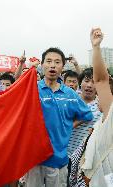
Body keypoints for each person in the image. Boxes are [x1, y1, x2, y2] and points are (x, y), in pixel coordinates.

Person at [25, 47, 93, 187]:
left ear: (63, 66)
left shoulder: (70, 94)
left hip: (58, 159)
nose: (52, 65)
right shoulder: (31, 89)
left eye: (57, 62)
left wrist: (70, 125)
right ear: (42, 64)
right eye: (48, 61)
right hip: (33, 159)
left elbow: (87, 114)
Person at [79, 28, 113, 187]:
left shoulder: (110, 118)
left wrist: (96, 47)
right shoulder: (103, 123)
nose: (99, 97)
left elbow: (101, 81)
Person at [67, 68, 102, 156]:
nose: (89, 85)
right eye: (86, 81)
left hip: (88, 157)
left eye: (94, 82)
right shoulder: (68, 101)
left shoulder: (102, 106)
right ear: (80, 82)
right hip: (65, 155)